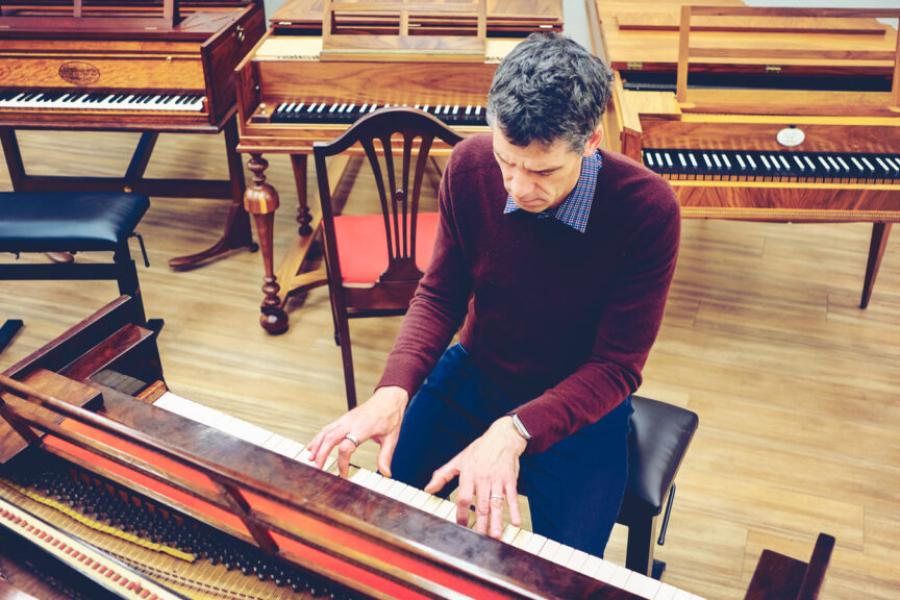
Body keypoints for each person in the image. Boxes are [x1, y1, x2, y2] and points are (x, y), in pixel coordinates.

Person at [307, 31, 679, 558]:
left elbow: (617, 367)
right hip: (477, 371)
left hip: (582, 401)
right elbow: (439, 295)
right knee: (391, 517)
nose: (517, 187)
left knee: (561, 575)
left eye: (543, 170)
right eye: (508, 161)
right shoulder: (470, 164)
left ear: (591, 141)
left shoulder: (648, 209)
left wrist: (515, 429)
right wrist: (393, 390)